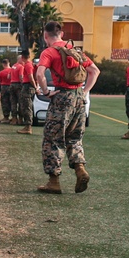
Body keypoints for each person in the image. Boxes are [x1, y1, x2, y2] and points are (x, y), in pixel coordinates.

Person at [35, 21, 100, 194]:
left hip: (61, 96)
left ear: (45, 35)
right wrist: (85, 91)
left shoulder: (48, 52)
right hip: (79, 97)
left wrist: (45, 91)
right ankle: (80, 169)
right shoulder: (76, 51)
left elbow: (39, 73)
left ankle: (54, 182)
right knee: (74, 137)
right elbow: (95, 71)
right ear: (62, 34)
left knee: (53, 139)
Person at [16, 53, 37, 134]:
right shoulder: (30, 64)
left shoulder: (28, 65)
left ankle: (28, 126)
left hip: (28, 86)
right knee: (26, 106)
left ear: (22, 57)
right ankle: (27, 125)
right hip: (28, 86)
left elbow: (30, 76)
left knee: (27, 106)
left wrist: (35, 86)